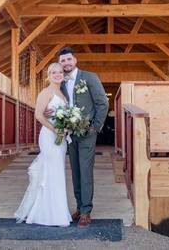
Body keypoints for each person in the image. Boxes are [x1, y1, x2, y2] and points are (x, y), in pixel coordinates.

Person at [49, 46, 109, 228]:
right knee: (75, 171)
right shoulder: (61, 82)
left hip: (87, 133)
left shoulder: (89, 77)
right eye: (62, 61)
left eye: (68, 60)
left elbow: (103, 102)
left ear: (74, 60)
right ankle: (79, 206)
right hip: (69, 133)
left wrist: (95, 127)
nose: (66, 63)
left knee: (85, 170)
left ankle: (86, 212)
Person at [14, 62, 72, 226]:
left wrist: (66, 127)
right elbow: (39, 115)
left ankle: (58, 211)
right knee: (50, 172)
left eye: (60, 72)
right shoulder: (45, 92)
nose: (57, 74)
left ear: (63, 74)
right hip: (49, 136)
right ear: (49, 75)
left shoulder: (62, 93)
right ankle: (45, 214)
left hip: (60, 138)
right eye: (53, 72)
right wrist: (56, 130)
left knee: (57, 172)